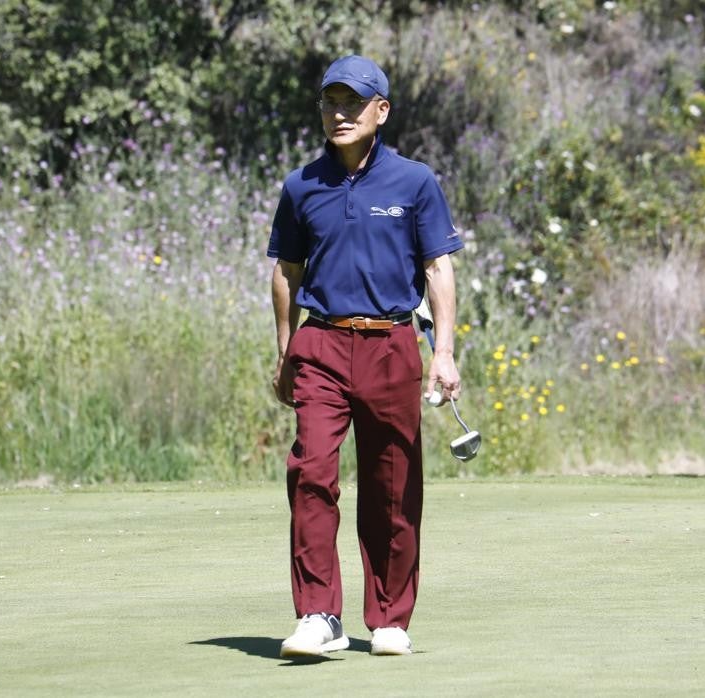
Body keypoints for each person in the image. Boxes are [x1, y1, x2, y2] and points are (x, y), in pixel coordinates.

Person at [267, 54, 463, 658]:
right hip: (321, 342)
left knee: (393, 486)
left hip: (392, 343)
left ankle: (389, 619)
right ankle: (320, 616)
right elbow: (286, 269)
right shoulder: (302, 185)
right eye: (331, 102)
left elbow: (438, 267)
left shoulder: (413, 181)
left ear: (381, 111)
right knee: (311, 474)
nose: (340, 113)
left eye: (354, 103)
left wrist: (446, 353)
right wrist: (285, 350)